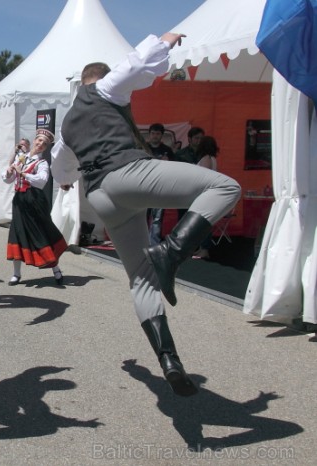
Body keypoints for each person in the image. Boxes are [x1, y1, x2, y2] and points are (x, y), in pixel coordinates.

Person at [51, 32, 240, 397]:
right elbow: (136, 65)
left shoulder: (68, 123)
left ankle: (169, 361)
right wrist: (165, 41)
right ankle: (171, 251)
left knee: (141, 280)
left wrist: (64, 181)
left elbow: (61, 170)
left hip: (102, 197)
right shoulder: (105, 88)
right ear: (100, 77)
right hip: (126, 176)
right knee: (225, 188)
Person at [2, 129, 66, 286]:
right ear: (34, 140)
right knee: (16, 233)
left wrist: (23, 174)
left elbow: (42, 181)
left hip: (34, 201)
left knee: (40, 233)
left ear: (46, 148)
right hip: (19, 200)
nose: (40, 144)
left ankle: (56, 269)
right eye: (39, 141)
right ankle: (16, 274)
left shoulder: (42, 163)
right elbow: (8, 180)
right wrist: (10, 172)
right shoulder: (21, 158)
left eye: (44, 144)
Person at [146, 123, 174, 245]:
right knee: (141, 217)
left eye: (158, 134)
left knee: (157, 218)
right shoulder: (142, 148)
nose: (155, 136)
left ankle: (154, 242)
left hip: (160, 187)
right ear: (149, 134)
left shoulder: (167, 151)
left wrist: (167, 164)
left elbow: (174, 169)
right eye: (153, 133)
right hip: (143, 187)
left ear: (162, 136)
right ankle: (141, 241)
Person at [194, 135, 221, 259]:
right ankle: (202, 248)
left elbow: (204, 177)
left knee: (203, 223)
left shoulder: (206, 159)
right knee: (205, 222)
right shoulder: (213, 158)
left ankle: (204, 249)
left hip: (205, 194)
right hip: (210, 194)